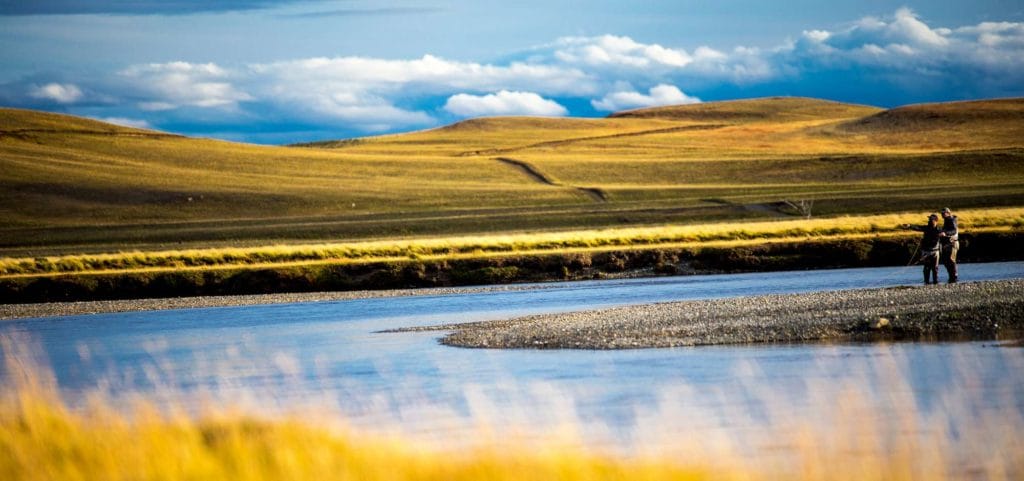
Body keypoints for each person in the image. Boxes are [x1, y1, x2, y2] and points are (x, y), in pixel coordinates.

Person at [902, 214, 942, 285]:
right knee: (926, 268)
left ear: (936, 221)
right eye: (929, 220)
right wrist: (910, 226)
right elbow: (918, 227)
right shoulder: (926, 228)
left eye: (931, 220)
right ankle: (926, 282)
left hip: (935, 251)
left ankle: (935, 282)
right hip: (926, 251)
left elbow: (946, 235)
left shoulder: (939, 230)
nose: (929, 221)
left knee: (935, 268)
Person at [939, 207, 959, 283]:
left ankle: (954, 277)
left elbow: (954, 230)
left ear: (948, 213)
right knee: (945, 260)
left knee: (951, 260)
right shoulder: (947, 220)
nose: (942, 215)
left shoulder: (951, 220)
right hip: (948, 244)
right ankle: (951, 276)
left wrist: (945, 233)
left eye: (943, 213)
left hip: (953, 243)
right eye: (941, 213)